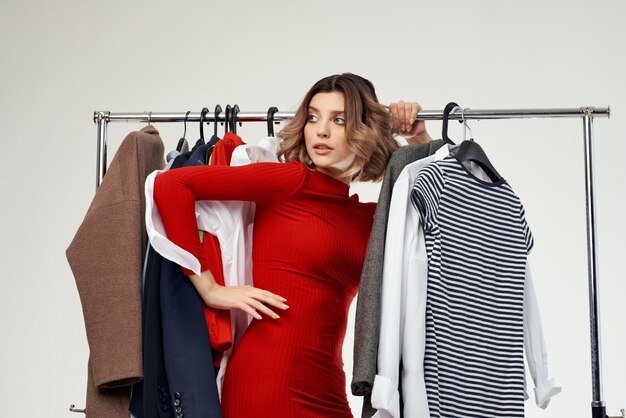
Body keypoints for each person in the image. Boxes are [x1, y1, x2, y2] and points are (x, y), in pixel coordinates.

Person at [153, 73, 431, 417]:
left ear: (364, 130)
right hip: (267, 380)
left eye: (338, 120)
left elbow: (442, 217)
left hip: (329, 384)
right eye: (313, 117)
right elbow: (172, 185)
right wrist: (209, 287)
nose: (321, 131)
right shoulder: (291, 181)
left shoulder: (369, 218)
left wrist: (419, 137)